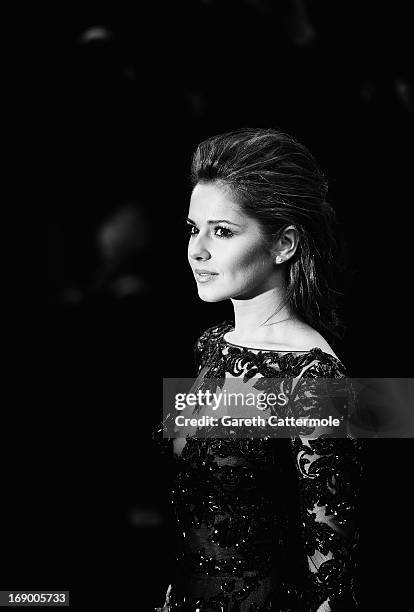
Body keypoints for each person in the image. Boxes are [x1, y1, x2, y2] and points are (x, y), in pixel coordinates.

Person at [153, 128, 362, 611]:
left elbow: (331, 574)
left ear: (284, 243)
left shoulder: (314, 380)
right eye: (192, 228)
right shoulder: (213, 344)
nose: (197, 250)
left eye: (222, 231)